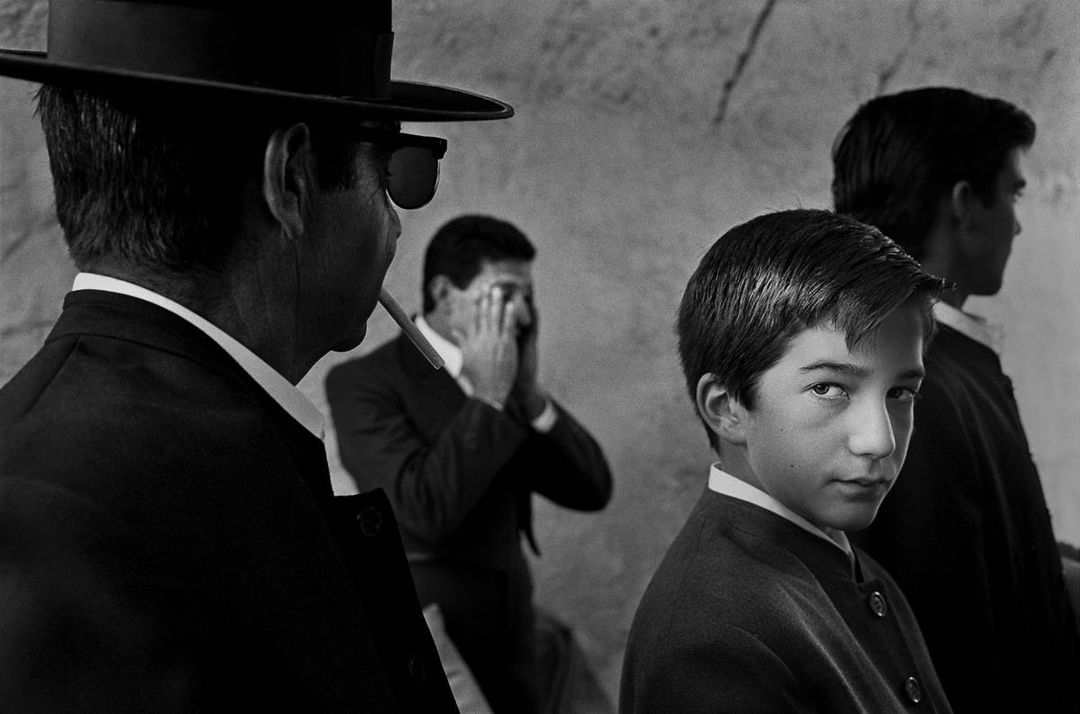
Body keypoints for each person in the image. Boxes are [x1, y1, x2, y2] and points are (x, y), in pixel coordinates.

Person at [0, 1, 514, 710]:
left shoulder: (158, 458)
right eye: (390, 173)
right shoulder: (57, 520)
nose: (395, 223)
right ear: (293, 180)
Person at [620, 209, 951, 713]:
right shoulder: (713, 642)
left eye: (901, 392)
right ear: (727, 407)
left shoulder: (842, 559)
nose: (879, 441)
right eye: (829, 388)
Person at [833, 86, 1080, 713]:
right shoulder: (915, 383)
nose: (1019, 221)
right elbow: (947, 633)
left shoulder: (935, 360)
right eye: (1014, 193)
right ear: (966, 204)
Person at [325, 214, 613, 713]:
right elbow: (423, 513)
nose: (522, 315)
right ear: (444, 294)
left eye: (528, 297)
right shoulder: (363, 383)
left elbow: (591, 489)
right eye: (505, 293)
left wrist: (527, 394)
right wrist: (489, 396)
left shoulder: (511, 384)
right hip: (433, 638)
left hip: (517, 634)